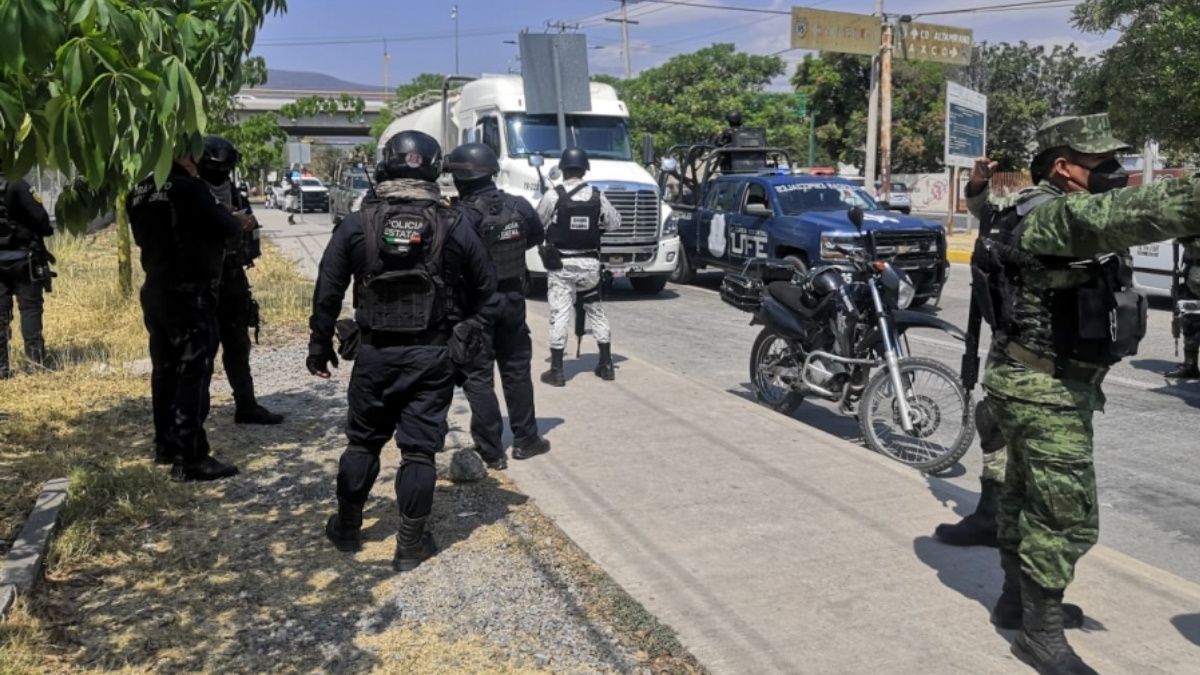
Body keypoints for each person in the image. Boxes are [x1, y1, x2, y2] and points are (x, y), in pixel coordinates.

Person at [963, 113, 1200, 674]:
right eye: (1103, 162)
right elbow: (1149, 211)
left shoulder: (1018, 206)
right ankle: (1038, 636)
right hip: (1045, 390)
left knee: (1022, 498)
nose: (1116, 171)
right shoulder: (1054, 216)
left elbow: (982, 207)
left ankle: (1015, 604)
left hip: (1024, 379)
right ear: (1065, 167)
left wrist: (976, 185)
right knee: (1065, 515)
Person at [309, 130, 496, 572]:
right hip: (432, 358)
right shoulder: (454, 224)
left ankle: (348, 526)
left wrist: (320, 345)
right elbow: (488, 294)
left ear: (383, 166)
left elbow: (328, 290)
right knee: (418, 452)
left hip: (374, 356)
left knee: (362, 442)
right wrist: (463, 338)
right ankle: (410, 545)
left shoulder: (357, 224)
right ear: (434, 169)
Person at [128, 150, 252, 481]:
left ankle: (166, 445)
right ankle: (192, 457)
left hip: (155, 289)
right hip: (189, 292)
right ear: (183, 155)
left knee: (164, 370)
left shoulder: (137, 191)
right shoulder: (190, 189)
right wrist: (236, 220)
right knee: (192, 373)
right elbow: (226, 228)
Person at [444, 142, 552, 470]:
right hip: (513, 301)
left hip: (476, 306)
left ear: (462, 180)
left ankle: (492, 451)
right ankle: (526, 439)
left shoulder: (460, 217)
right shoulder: (519, 206)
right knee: (517, 370)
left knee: (478, 375)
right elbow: (534, 237)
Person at [197, 136, 283, 425]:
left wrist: (247, 222)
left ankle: (246, 405)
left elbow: (249, 219)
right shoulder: (194, 192)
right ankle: (197, 417)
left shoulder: (233, 192)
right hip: (202, 281)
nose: (221, 174)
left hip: (232, 278)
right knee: (203, 351)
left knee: (237, 345)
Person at [535, 147, 621, 386]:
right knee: (596, 310)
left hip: (561, 264)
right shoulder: (597, 195)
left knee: (560, 313)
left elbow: (537, 222)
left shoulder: (554, 195)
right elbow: (614, 223)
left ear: (563, 169)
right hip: (590, 265)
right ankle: (606, 364)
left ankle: (557, 370)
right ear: (584, 170)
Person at [0, 160, 54, 378]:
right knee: (30, 310)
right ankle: (36, 363)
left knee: (0, 315)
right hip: (25, 260)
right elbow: (42, 220)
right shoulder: (17, 184)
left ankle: (2, 368)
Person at [1165, 235, 1200, 378]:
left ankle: (1190, 365)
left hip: (1197, 276)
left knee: (1193, 319)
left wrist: (1187, 236)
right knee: (1190, 320)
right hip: (1192, 271)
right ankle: (1190, 364)